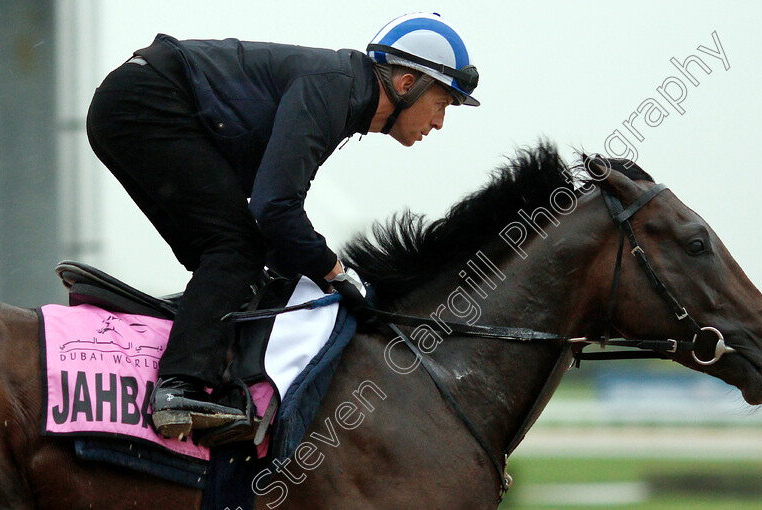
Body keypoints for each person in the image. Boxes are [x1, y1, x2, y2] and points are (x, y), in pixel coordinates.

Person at [86, 12, 479, 441]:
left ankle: (188, 367)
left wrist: (315, 268)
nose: (440, 122)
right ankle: (180, 386)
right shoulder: (333, 88)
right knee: (235, 248)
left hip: (136, 99)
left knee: (237, 254)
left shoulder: (341, 92)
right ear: (407, 84)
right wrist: (335, 274)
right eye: (442, 104)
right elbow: (275, 208)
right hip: (146, 100)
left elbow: (271, 215)